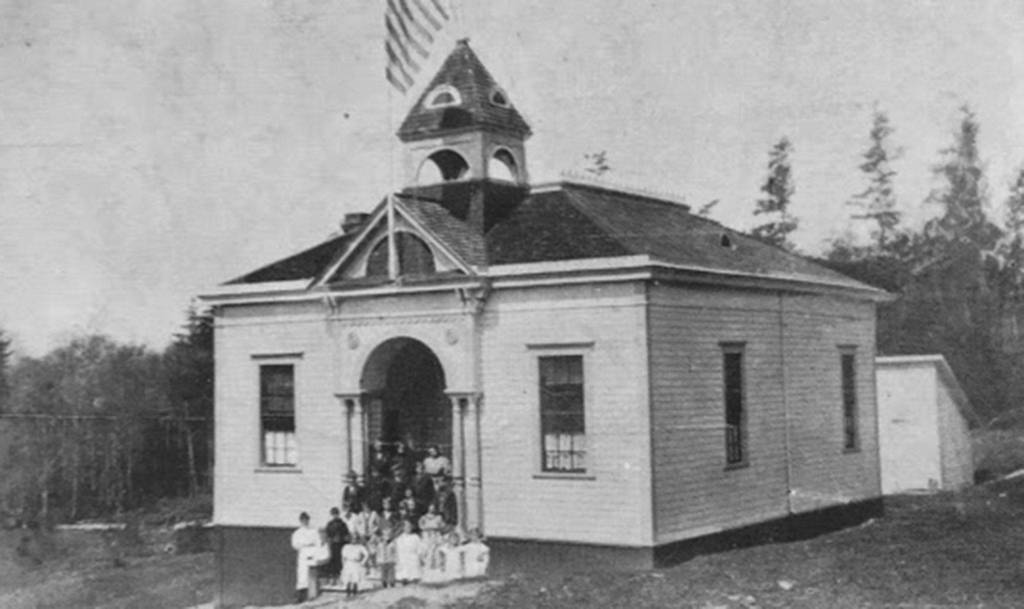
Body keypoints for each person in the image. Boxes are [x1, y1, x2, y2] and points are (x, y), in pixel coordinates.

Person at [290, 512, 321, 603]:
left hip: (312, 552)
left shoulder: (313, 531)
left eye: (306, 519)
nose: (305, 521)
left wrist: (316, 553)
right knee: (302, 574)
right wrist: (303, 545)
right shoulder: (297, 533)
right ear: (300, 521)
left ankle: (312, 595)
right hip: (303, 553)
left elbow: (318, 543)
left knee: (311, 573)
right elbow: (295, 544)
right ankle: (300, 596)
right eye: (303, 520)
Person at [324, 507, 349, 586]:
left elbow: (346, 535)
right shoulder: (329, 524)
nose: (335, 516)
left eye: (336, 514)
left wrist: (343, 540)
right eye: (333, 514)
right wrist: (329, 541)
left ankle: (340, 579)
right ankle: (332, 579)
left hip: (341, 545)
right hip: (333, 545)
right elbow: (327, 535)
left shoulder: (343, 524)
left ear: (338, 514)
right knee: (332, 562)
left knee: (340, 562)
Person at [394, 520, 423, 585]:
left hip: (413, 556)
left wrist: (420, 556)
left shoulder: (415, 537)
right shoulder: (400, 538)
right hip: (404, 556)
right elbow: (398, 549)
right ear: (403, 528)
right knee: (404, 567)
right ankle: (405, 579)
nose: (408, 528)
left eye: (410, 526)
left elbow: (419, 547)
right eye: (407, 527)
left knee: (415, 564)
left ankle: (415, 580)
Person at [340, 533, 370, 598]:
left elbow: (367, 554)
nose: (354, 540)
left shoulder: (360, 547)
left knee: (355, 579)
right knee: (347, 579)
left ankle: (354, 593)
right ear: (350, 539)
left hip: (356, 563)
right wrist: (343, 566)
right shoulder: (346, 547)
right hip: (348, 563)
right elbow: (343, 557)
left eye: (356, 538)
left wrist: (362, 562)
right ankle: (348, 593)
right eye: (352, 538)